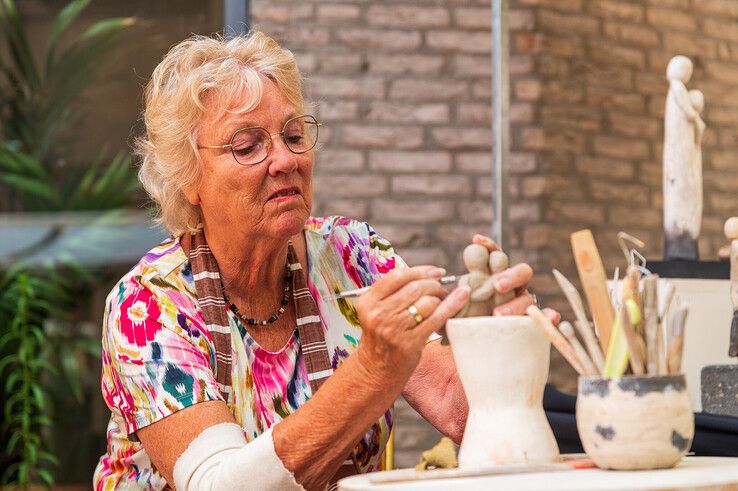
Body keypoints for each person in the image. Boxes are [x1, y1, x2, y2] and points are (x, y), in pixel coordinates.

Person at [93, 31, 555, 490]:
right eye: (247, 145)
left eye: (293, 135)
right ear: (188, 178)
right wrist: (370, 371)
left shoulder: (353, 256)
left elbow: (459, 410)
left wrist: (496, 345)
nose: (285, 159)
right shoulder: (149, 305)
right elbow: (219, 486)